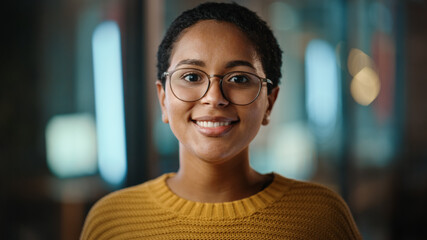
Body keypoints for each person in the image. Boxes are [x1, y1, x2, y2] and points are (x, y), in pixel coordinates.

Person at [80, 2, 362, 239]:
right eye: (191, 77)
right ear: (163, 99)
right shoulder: (112, 222)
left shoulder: (322, 217)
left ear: (269, 102)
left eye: (239, 78)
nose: (214, 98)